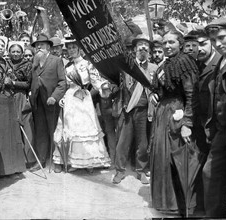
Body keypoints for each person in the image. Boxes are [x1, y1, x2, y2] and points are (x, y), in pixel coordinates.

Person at [149, 30, 199, 214]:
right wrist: (155, 94)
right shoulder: (165, 64)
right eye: (165, 43)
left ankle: (178, 205)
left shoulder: (184, 62)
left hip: (177, 113)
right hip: (163, 113)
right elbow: (160, 89)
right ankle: (166, 202)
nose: (168, 46)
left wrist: (187, 122)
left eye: (172, 42)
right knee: (161, 156)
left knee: (176, 158)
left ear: (180, 43)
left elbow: (191, 94)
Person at [52, 36, 111, 173]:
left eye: (74, 47)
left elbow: (96, 80)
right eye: (69, 47)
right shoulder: (66, 66)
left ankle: (90, 162)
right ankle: (72, 161)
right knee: (71, 128)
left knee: (86, 128)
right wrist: (62, 98)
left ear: (79, 49)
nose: (71, 50)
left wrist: (103, 86)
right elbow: (64, 84)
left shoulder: (88, 64)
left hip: (84, 99)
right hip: (70, 99)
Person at [202, 18, 226, 218]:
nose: (217, 44)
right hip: (221, 131)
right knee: (212, 175)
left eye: (222, 38)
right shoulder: (221, 60)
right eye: (213, 40)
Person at [112, 34, 157, 185]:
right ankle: (119, 170)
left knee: (142, 143)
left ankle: (141, 171)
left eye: (146, 46)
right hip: (127, 109)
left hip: (144, 111)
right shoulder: (127, 67)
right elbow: (117, 85)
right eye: (140, 45)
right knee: (122, 142)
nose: (143, 48)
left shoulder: (153, 69)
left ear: (149, 51)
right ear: (135, 49)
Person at [0, 38, 29, 177]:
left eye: (3, 46)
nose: (1, 48)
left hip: (10, 101)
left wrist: (11, 81)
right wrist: (3, 82)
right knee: (1, 135)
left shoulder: (5, 62)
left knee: (12, 134)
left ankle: (12, 168)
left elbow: (13, 78)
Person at [191, 27, 221, 214]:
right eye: (195, 46)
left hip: (218, 128)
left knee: (214, 173)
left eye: (202, 44)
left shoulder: (218, 64)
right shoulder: (197, 65)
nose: (199, 49)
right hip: (202, 127)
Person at [28, 33, 67, 172]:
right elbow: (31, 81)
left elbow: (63, 82)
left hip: (51, 102)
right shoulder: (34, 62)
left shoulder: (56, 61)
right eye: (37, 46)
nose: (39, 48)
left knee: (54, 131)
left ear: (48, 47)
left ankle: (58, 161)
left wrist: (54, 97)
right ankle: (41, 161)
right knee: (41, 132)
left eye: (42, 45)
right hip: (37, 102)